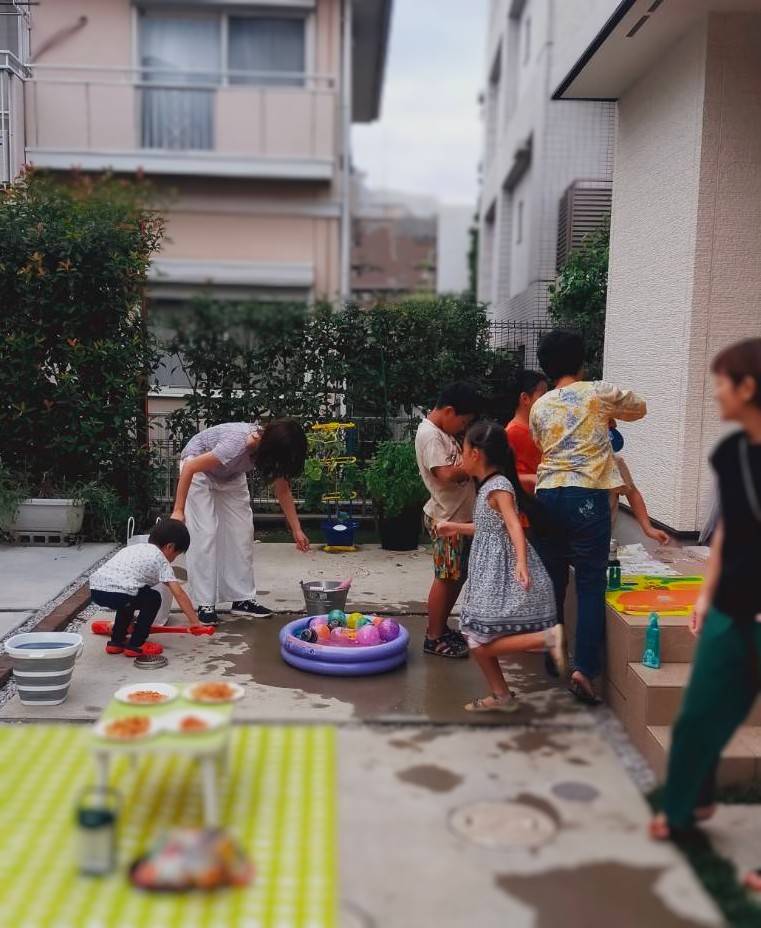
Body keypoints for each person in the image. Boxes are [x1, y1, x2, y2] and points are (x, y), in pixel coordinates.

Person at [650, 339, 761, 858]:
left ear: (748, 387)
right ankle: (686, 809)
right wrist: (703, 597)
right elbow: (727, 534)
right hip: (728, 612)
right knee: (698, 715)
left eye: (721, 382)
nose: (715, 392)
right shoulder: (732, 454)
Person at [530, 329, 647, 704]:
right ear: (581, 362)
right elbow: (639, 407)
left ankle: (553, 648)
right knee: (590, 584)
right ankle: (583, 669)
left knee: (553, 580)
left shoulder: (540, 405)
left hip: (548, 494)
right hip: (587, 495)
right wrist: (608, 419)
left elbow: (540, 442)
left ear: (546, 367)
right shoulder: (598, 393)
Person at [435, 420, 564, 711]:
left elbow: (514, 525)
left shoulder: (499, 487)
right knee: (475, 636)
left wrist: (521, 562)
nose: (460, 457)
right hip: (488, 573)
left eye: (462, 450)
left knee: (477, 640)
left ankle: (547, 637)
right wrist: (454, 527)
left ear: (476, 454)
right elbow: (488, 528)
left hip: (499, 574)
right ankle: (502, 696)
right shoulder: (488, 487)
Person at [170, 418, 309, 624]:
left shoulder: (270, 450)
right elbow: (190, 468)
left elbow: (283, 490)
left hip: (230, 473)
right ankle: (205, 604)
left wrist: (297, 529)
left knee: (242, 533)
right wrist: (178, 510)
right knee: (205, 533)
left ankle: (242, 599)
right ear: (272, 448)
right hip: (197, 469)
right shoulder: (236, 444)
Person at [415, 382, 481, 658]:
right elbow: (445, 474)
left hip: (457, 519)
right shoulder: (431, 435)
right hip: (446, 520)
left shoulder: (442, 433)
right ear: (450, 411)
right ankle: (433, 637)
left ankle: (440, 627)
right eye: (463, 422)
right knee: (445, 578)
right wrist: (474, 465)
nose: (463, 427)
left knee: (455, 576)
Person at [90, 518, 203, 657]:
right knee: (153, 598)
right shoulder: (161, 560)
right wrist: (195, 622)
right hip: (121, 592)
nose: (173, 559)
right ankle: (136, 644)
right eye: (176, 554)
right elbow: (179, 594)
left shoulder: (135, 548)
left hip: (96, 589)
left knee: (130, 600)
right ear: (170, 547)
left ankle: (116, 642)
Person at [609, 446, 670, 549]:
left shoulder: (614, 462)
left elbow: (631, 492)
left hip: (602, 536)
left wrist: (648, 528)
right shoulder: (577, 464)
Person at [505, 370, 548, 494]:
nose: (548, 400)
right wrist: (532, 479)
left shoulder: (540, 429)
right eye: (543, 395)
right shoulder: (511, 433)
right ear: (525, 398)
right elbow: (504, 476)